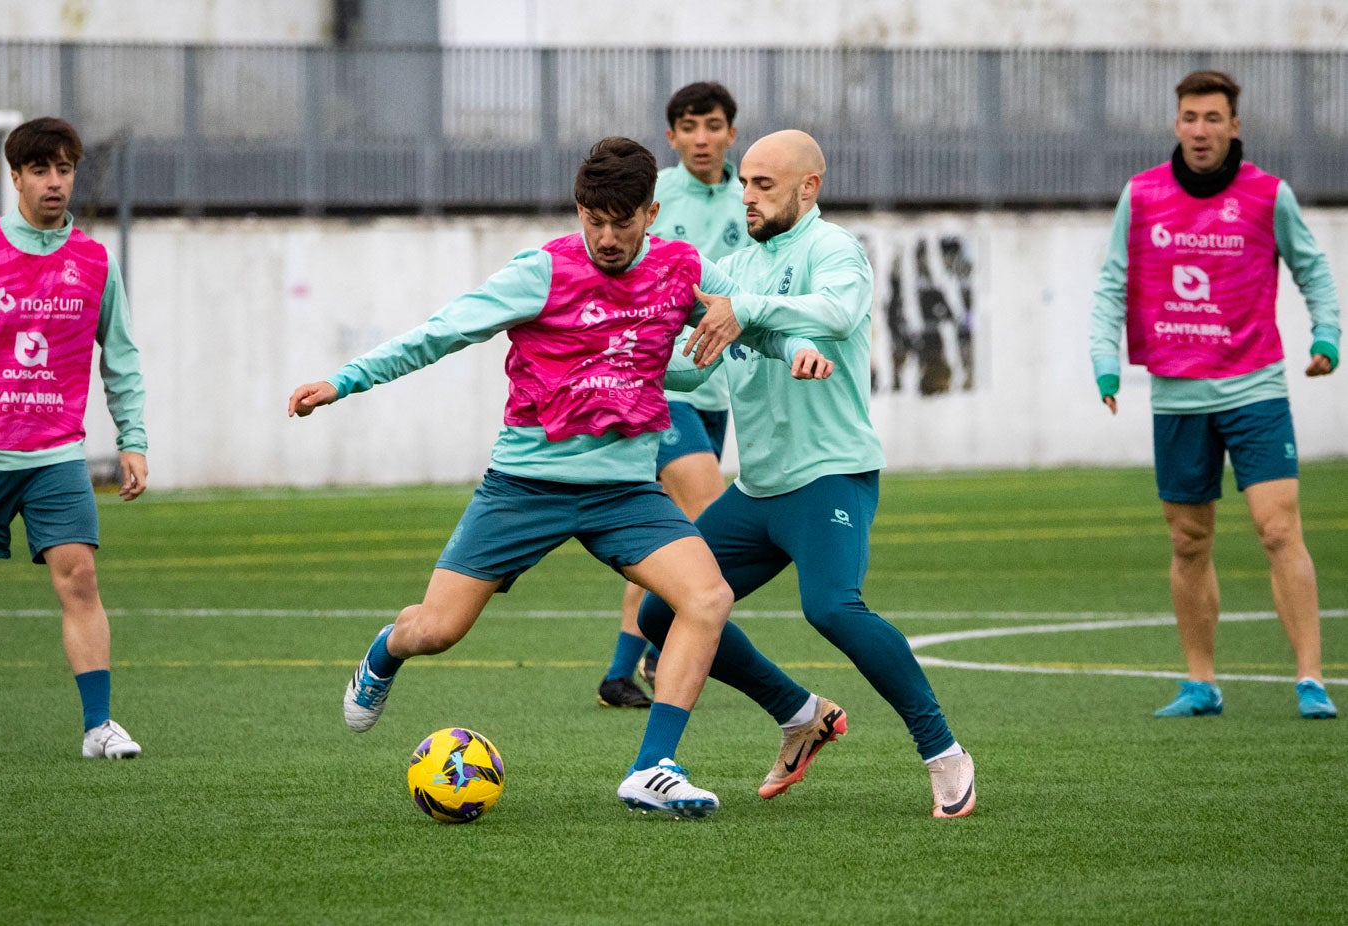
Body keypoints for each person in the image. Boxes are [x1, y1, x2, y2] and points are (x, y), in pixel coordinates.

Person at [288, 137, 834, 819]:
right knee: (436, 629)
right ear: (579, 211)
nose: (606, 238)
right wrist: (343, 380)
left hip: (625, 493)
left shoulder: (679, 268)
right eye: (592, 220)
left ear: (650, 212)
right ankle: (383, 652)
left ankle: (651, 768)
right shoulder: (539, 272)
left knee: (705, 598)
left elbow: (746, 321)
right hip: (525, 488)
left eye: (622, 222)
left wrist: (802, 347)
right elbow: (440, 332)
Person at [638, 130, 978, 819]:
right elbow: (695, 359)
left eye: (765, 185)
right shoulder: (734, 267)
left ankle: (944, 754)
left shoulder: (834, 250)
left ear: (807, 187)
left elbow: (838, 312)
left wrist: (749, 311)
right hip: (757, 491)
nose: (749, 196)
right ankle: (799, 714)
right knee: (659, 609)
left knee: (829, 608)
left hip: (829, 478)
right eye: (746, 185)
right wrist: (619, 366)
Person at [1090, 70, 1340, 720]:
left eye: (1212, 118)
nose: (1199, 130)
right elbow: (1112, 281)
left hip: (1254, 385)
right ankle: (1199, 683)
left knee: (1277, 527)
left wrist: (1328, 335)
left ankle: (1310, 679)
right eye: (1189, 118)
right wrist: (1104, 362)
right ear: (1176, 124)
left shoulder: (1267, 195)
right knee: (1187, 540)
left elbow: (1310, 266)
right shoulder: (1141, 196)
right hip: (1176, 393)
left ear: (1234, 126)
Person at [0, 117, 149, 757]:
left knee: (81, 580)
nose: (54, 182)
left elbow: (119, 357)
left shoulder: (96, 261)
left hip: (55, 455)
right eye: (40, 170)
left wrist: (133, 438)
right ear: (14, 178)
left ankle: (99, 726)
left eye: (64, 169)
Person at [596, 81, 750, 709]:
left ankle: (619, 672)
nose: (702, 138)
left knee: (669, 532)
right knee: (711, 509)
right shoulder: (652, 196)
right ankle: (672, 640)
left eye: (713, 125)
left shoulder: (752, 197)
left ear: (730, 133)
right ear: (672, 137)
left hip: (718, 388)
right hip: (661, 388)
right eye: (689, 127)